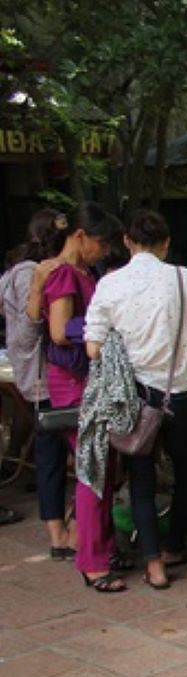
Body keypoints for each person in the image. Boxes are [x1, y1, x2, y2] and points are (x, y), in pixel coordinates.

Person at [84, 210, 187, 589]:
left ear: (127, 241)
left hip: (133, 396)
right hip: (178, 392)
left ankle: (154, 564)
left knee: (141, 479)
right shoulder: (182, 277)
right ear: (166, 243)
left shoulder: (109, 284)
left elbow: (93, 347)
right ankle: (175, 543)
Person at [33, 202, 123, 591]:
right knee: (92, 468)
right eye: (102, 243)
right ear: (81, 236)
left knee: (99, 467)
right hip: (73, 382)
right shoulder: (66, 274)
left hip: (83, 380)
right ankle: (92, 559)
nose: (105, 251)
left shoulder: (81, 271)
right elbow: (57, 330)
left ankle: (100, 549)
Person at [1, 209, 63, 538]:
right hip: (44, 376)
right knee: (50, 449)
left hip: (38, 374)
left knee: (48, 445)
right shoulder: (30, 272)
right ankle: (57, 531)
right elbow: (29, 329)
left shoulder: (20, 270)